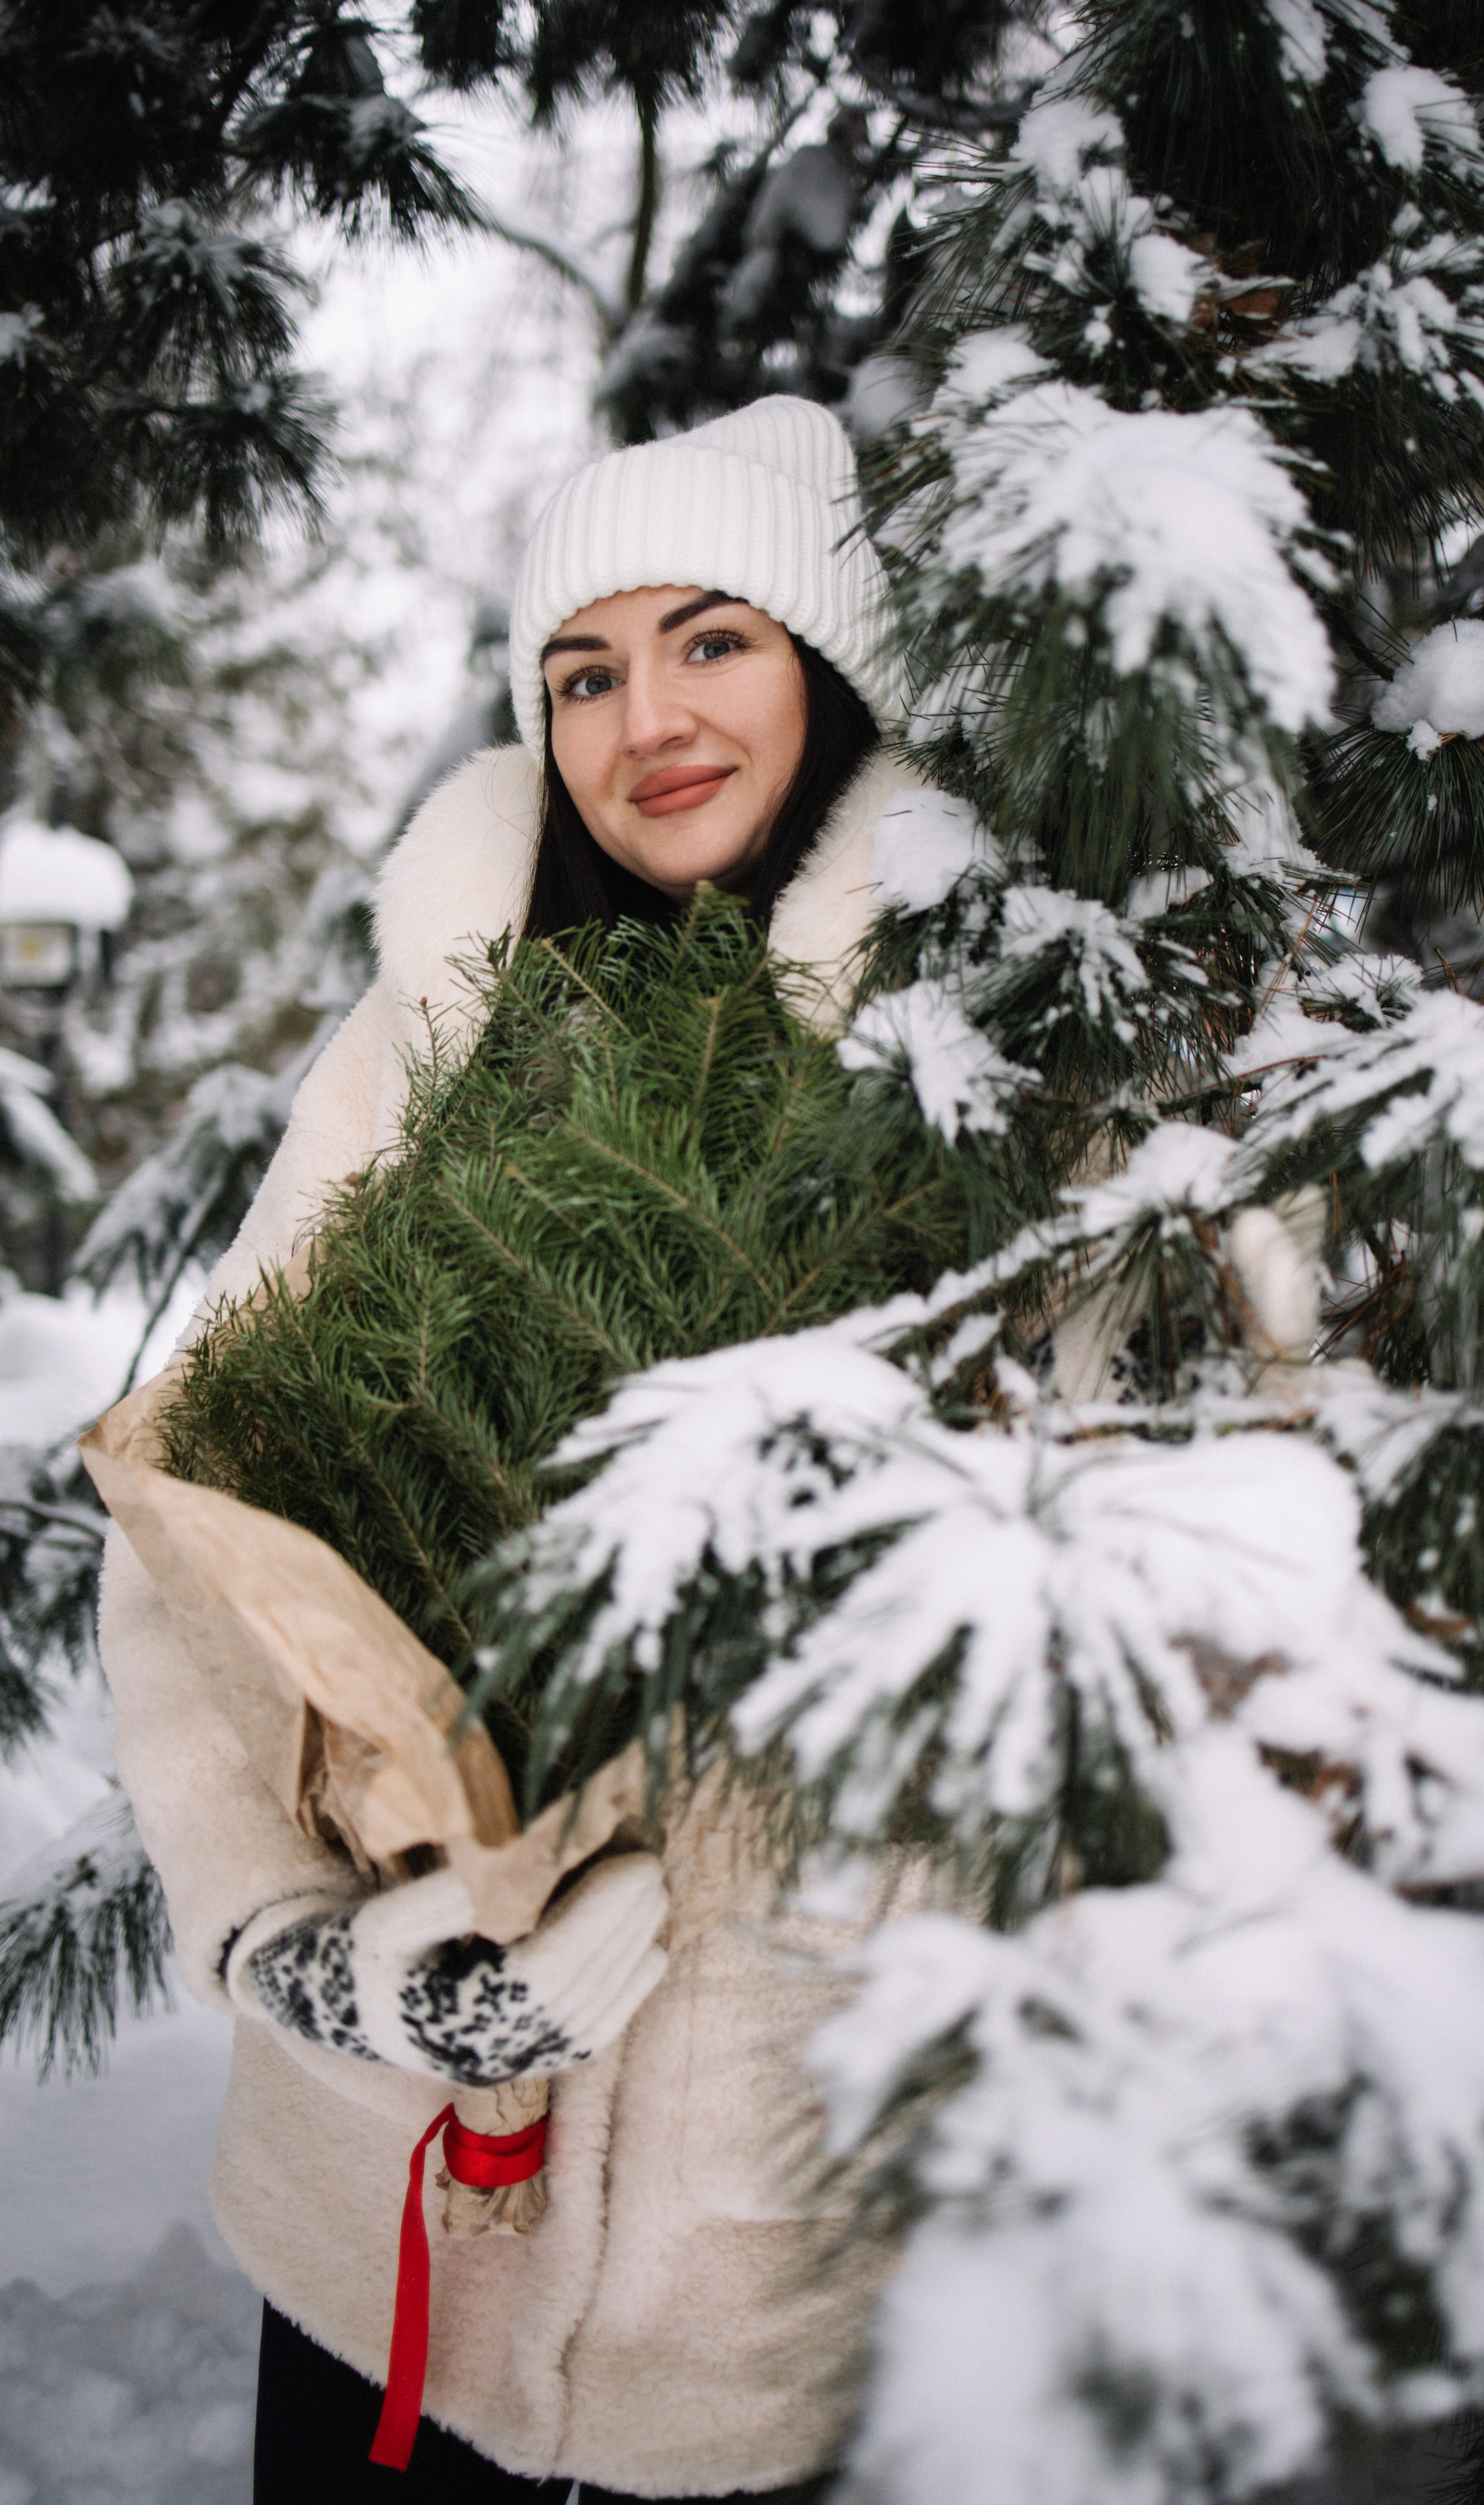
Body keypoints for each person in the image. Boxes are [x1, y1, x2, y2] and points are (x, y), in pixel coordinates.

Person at [98, 398, 942, 2501]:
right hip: (382, 2223)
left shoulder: (976, 1068)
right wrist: (311, 1956)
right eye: (583, 671)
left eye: (713, 639)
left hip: (772, 2289)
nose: (645, 718)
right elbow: (200, 1528)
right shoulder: (429, 1047)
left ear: (834, 671)